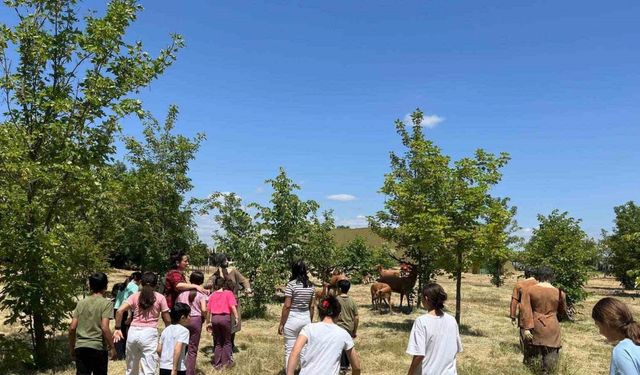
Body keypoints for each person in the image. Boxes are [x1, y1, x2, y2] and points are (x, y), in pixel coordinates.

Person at [286, 295, 361, 375]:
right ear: (339, 315)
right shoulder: (343, 334)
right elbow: (356, 367)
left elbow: (295, 352)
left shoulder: (308, 328)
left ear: (319, 313)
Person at [114, 272, 171, 375]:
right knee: (148, 369)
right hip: (150, 333)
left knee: (131, 369)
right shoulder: (160, 297)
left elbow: (119, 311)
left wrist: (117, 328)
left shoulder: (134, 296)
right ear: (156, 284)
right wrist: (168, 330)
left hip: (133, 332)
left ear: (141, 283)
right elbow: (167, 319)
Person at [519, 267, 567, 374]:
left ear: (538, 277)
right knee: (551, 360)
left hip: (535, 328)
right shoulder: (559, 293)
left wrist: (527, 328)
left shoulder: (529, 290)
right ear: (552, 277)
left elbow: (525, 310)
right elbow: (562, 311)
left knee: (532, 361)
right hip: (552, 328)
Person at [406, 283, 462, 375]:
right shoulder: (452, 320)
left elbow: (419, 354)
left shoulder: (421, 321)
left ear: (426, 298)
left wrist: (410, 373)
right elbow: (455, 349)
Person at [69, 272, 116, 375]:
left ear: (90, 286)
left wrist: (72, 348)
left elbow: (72, 327)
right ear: (106, 285)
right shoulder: (106, 304)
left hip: (81, 348)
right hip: (98, 347)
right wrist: (112, 347)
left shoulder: (81, 303)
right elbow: (104, 327)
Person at [204, 253, 252, 352]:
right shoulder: (217, 274)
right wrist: (210, 284)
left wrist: (247, 288)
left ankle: (230, 344)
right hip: (220, 303)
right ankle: (217, 345)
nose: (226, 262)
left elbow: (244, 281)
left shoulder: (233, 272)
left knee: (232, 323)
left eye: (226, 260)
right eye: (224, 260)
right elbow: (208, 283)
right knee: (217, 323)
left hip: (232, 302)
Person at [278, 260, 316, 370]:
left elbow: (287, 306)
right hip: (305, 317)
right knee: (304, 349)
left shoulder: (291, 285)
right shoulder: (311, 286)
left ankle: (289, 371)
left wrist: (282, 323)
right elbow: (312, 306)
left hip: (292, 318)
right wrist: (310, 320)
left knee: (290, 349)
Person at [592, 297, 640, 375]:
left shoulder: (622, 351)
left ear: (606, 323)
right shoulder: (635, 342)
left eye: (599, 325)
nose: (600, 332)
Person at [176, 271, 208, 375]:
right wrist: (206, 318)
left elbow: (177, 306)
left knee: (180, 346)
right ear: (202, 281)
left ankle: (178, 369)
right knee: (192, 349)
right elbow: (203, 309)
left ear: (190, 281)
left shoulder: (181, 294)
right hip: (196, 321)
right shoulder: (201, 295)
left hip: (183, 320)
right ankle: (189, 372)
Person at [206, 276, 239, 370]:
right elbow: (233, 306)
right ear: (224, 285)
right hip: (225, 318)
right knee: (227, 341)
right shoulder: (228, 293)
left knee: (218, 342)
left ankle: (217, 363)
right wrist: (236, 317)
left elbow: (208, 310)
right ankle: (227, 362)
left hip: (215, 318)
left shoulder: (212, 295)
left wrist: (208, 322)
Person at [114, 272, 143, 360]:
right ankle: (123, 353)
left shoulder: (124, 285)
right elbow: (130, 301)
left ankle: (119, 353)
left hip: (117, 309)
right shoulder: (134, 287)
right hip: (125, 311)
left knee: (118, 330)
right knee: (125, 332)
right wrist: (130, 315)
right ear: (140, 280)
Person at [157, 302, 191, 375]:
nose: (190, 318)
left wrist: (165, 359)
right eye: (189, 315)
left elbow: (159, 349)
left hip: (163, 367)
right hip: (177, 368)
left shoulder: (165, 330)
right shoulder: (184, 331)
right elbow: (177, 348)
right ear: (182, 317)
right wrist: (174, 369)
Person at [334, 279, 359, 372]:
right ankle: (347, 365)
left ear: (339, 289)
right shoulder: (352, 301)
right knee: (347, 346)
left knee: (339, 346)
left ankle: (342, 365)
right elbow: (356, 317)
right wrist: (354, 330)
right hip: (349, 327)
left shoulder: (336, 300)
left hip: (338, 326)